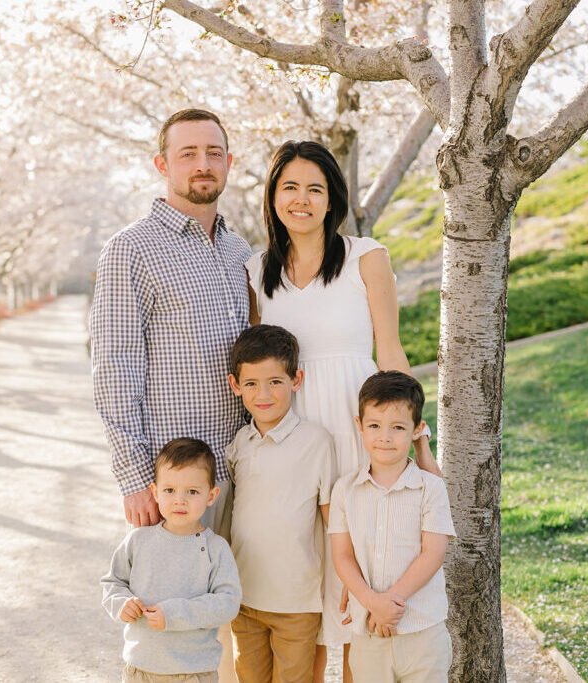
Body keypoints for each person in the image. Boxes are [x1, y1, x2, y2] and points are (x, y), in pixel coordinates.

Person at [245, 140, 440, 680]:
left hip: (356, 427)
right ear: (273, 197)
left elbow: (391, 353)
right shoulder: (256, 269)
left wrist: (416, 436)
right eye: (290, 187)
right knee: (306, 574)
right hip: (293, 434)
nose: (302, 199)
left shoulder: (365, 256)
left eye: (315, 188)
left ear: (333, 199)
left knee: (360, 563)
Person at [90, 108, 251, 535]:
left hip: (244, 472)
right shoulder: (131, 249)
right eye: (188, 154)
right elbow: (114, 366)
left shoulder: (239, 251)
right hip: (175, 484)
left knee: (237, 601)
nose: (203, 165)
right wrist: (134, 478)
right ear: (162, 165)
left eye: (214, 153)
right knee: (169, 602)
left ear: (229, 163)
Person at [329, 371, 456, 683]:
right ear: (359, 426)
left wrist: (391, 603)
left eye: (397, 427)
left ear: (417, 430)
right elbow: (342, 556)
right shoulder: (345, 490)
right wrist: (374, 604)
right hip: (369, 630)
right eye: (374, 425)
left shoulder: (431, 488)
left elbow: (433, 554)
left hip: (422, 631)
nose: (384, 436)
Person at [226, 325, 336, 683]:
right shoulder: (238, 444)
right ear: (235, 385)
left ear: (296, 379)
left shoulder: (316, 442)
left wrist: (343, 583)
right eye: (252, 384)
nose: (264, 394)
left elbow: (333, 519)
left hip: (296, 602)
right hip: (244, 598)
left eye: (275, 381)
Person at [102, 438, 242, 683]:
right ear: (155, 492)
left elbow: (227, 603)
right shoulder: (138, 541)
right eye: (169, 490)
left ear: (211, 495)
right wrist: (122, 604)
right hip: (140, 669)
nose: (180, 500)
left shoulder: (215, 548)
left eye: (192, 491)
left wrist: (174, 614)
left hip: (194, 672)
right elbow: (113, 583)